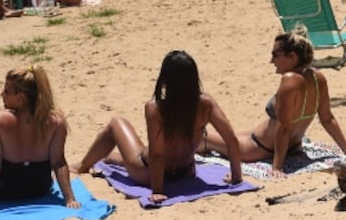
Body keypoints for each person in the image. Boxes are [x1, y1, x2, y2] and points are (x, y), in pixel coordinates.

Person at [76, 51, 243, 204]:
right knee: (128, 154)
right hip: (186, 172)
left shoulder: (156, 108)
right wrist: (236, 177)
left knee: (116, 123)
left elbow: (157, 154)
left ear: (165, 79)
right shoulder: (206, 104)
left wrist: (158, 190)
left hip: (148, 174)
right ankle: (108, 158)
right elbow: (231, 139)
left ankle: (83, 166)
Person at [201, 29, 346, 174]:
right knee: (227, 134)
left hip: (259, 148)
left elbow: (284, 127)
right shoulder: (318, 78)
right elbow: (327, 119)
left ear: (292, 56)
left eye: (275, 55)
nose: (271, 61)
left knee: (200, 138)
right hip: (293, 146)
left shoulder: (289, 80)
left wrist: (277, 167)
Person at [0, 65, 80, 211]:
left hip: (4, 190)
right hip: (40, 187)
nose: (1, 94)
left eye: (7, 91)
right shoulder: (56, 122)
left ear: (21, 97)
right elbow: (59, 162)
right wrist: (69, 199)